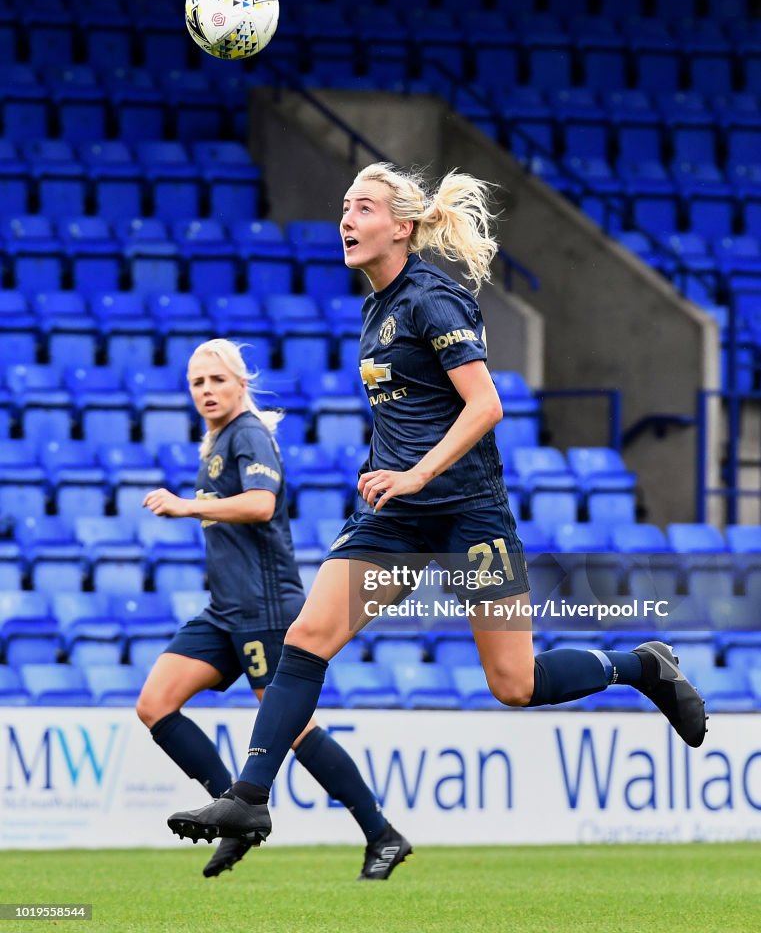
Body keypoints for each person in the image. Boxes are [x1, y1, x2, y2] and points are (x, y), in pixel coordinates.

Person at [166, 162, 707, 851]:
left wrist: (416, 473)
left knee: (514, 683)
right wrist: (381, 469)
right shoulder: (375, 309)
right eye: (344, 205)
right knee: (306, 639)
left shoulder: (432, 299)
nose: (346, 218)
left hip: (468, 514)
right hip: (396, 517)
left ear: (402, 227)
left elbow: (486, 405)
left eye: (363, 207)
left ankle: (642, 666)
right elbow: (408, 412)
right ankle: (249, 798)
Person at [137, 337, 411, 880]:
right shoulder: (218, 441)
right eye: (197, 382)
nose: (207, 390)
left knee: (297, 729)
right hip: (225, 610)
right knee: (155, 703)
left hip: (265, 607)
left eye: (218, 379)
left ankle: (381, 834)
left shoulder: (248, 433)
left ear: (241, 384)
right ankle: (233, 814)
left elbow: (262, 504)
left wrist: (187, 506)